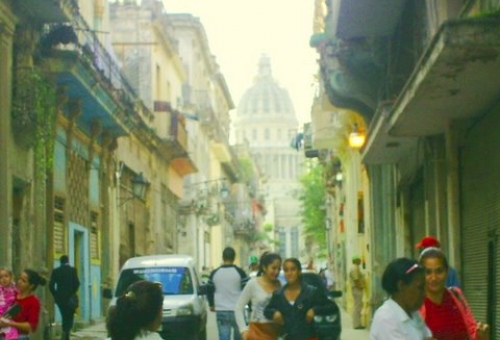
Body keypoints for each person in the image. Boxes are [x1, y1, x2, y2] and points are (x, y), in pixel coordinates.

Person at [419, 247, 489, 340]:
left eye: (439, 271)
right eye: (428, 272)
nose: (434, 278)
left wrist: (481, 335)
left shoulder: (456, 295)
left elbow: (472, 332)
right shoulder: (415, 304)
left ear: (447, 271)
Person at [264, 258, 336, 340]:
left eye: (293, 269)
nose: (289, 273)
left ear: (299, 272)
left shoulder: (311, 292)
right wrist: (274, 313)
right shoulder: (278, 294)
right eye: (286, 270)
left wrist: (314, 310)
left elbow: (331, 307)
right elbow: (267, 310)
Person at [370, 258, 435, 340]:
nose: (425, 293)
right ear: (401, 286)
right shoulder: (386, 318)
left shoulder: (414, 314)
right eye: (420, 288)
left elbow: (428, 337)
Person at [235, 252, 282, 340]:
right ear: (264, 267)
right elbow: (238, 307)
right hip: (256, 333)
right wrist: (243, 330)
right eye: (273, 268)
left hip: (275, 333)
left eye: (279, 269)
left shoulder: (281, 286)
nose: (276, 272)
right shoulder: (253, 284)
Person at [207, 247, 248, 340]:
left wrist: (211, 304)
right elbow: (246, 290)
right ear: (234, 258)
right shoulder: (240, 273)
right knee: (239, 336)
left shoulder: (215, 273)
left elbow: (209, 289)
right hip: (237, 311)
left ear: (223, 257)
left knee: (224, 336)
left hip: (221, 310)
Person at [0, 269, 47, 339]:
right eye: (19, 279)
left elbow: (31, 327)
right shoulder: (12, 295)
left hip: (20, 337)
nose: (19, 282)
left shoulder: (33, 302)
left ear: (31, 286)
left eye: (23, 281)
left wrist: (8, 323)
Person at [49, 255, 80, 340]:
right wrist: (73, 292)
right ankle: (67, 332)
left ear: (60, 261)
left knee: (64, 315)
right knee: (70, 316)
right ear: (68, 261)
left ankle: (65, 332)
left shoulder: (56, 271)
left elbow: (51, 285)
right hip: (70, 298)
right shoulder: (73, 270)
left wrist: (56, 295)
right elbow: (77, 283)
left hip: (60, 299)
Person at [0, 268, 19, 340]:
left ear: (11, 277)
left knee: (12, 330)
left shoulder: (14, 288)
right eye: (1, 277)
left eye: (6, 276)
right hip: (1, 314)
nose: (4, 279)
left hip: (10, 315)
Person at [349, 255, 365, 329]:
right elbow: (356, 279)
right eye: (359, 259)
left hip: (356, 289)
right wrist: (360, 287)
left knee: (358, 306)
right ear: (356, 260)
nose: (360, 261)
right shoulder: (355, 268)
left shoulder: (355, 268)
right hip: (357, 289)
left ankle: (358, 323)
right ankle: (357, 324)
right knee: (357, 307)